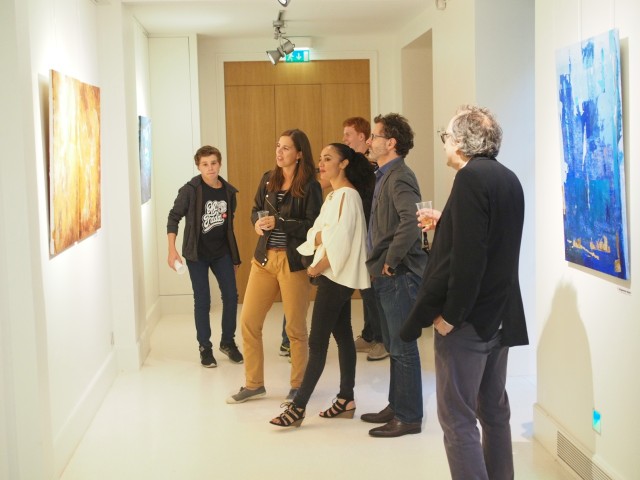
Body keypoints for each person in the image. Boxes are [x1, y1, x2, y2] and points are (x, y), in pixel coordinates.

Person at [401, 105, 528, 479]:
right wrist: (448, 222)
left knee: (457, 418)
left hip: (470, 320)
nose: (444, 144)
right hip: (501, 314)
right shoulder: (507, 177)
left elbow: (470, 260)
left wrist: (451, 316)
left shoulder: (470, 179)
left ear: (459, 142)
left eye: (446, 136)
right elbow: (491, 240)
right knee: (494, 410)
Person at [269, 143, 374, 428]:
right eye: (320, 159)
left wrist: (318, 265)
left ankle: (298, 407)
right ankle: (346, 400)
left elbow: (340, 240)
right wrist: (322, 238)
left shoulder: (347, 196)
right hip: (335, 276)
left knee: (316, 344)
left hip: (334, 276)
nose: (321, 164)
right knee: (343, 336)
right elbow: (315, 233)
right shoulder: (334, 196)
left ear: (344, 164)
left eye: (328, 159)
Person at [227, 129, 322, 404]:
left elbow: (313, 226)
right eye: (278, 146)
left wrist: (280, 223)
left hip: (293, 262)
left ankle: (299, 386)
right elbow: (255, 210)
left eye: (286, 148)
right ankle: (254, 384)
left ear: (299, 154)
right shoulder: (268, 179)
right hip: (264, 260)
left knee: (295, 328)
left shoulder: (311, 186)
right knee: (249, 322)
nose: (279, 152)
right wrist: (256, 222)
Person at [359, 113, 427, 438]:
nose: (369, 141)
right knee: (393, 345)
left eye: (374, 136)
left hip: (398, 274)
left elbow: (411, 221)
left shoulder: (400, 176)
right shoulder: (385, 174)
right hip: (386, 273)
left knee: (403, 347)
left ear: (391, 143)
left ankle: (409, 417)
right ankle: (397, 405)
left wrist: (390, 260)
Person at [167, 145, 243, 367]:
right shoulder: (190, 190)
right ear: (198, 167)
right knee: (203, 300)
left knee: (231, 296)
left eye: (213, 163)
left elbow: (229, 227)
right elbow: (173, 218)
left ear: (220, 164)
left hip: (222, 253)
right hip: (197, 254)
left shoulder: (229, 192)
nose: (210, 168)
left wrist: (234, 257)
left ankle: (227, 342)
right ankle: (205, 347)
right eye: (205, 164)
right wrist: (172, 250)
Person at [342, 117, 389, 362]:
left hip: (373, 236)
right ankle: (370, 334)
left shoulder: (373, 168)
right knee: (365, 287)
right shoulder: (352, 166)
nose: (344, 139)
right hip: (359, 235)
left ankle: (382, 339)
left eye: (348, 134)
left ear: (362, 136)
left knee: (373, 290)